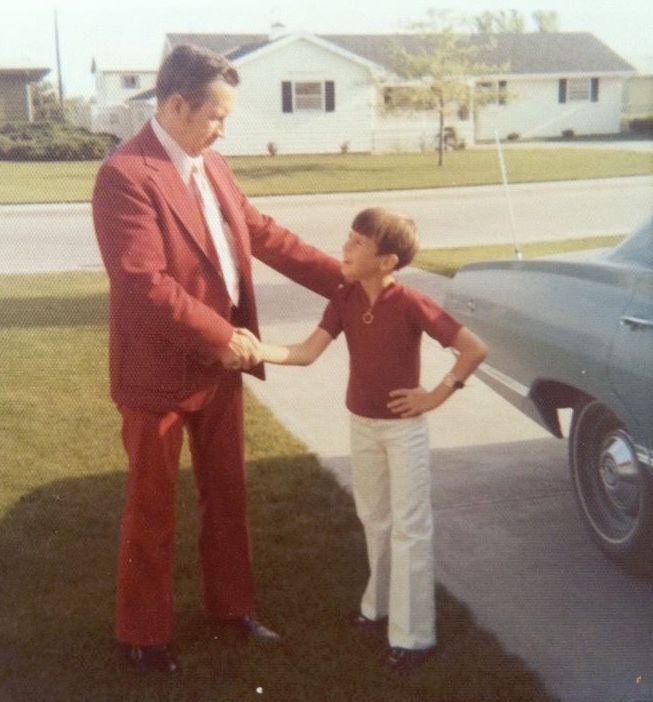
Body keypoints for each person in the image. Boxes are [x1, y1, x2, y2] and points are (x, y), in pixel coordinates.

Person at [92, 44, 342, 673]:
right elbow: (143, 284)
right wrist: (220, 335)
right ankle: (143, 633)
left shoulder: (214, 165)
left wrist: (349, 281)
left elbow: (265, 236)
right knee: (152, 509)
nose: (223, 129)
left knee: (227, 496)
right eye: (216, 116)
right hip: (159, 372)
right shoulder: (126, 175)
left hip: (219, 367)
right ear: (177, 105)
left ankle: (233, 611)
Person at [258, 207, 487, 673]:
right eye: (349, 238)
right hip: (360, 426)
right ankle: (377, 610)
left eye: (358, 243)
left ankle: (414, 636)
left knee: (409, 527)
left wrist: (436, 396)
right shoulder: (343, 298)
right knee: (375, 519)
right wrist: (253, 349)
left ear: (386, 261)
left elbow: (473, 349)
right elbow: (305, 352)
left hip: (403, 432)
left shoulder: (411, 303)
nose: (345, 248)